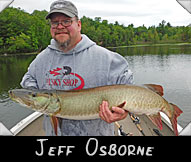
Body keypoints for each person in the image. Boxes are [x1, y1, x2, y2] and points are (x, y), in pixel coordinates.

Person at [21, 0, 134, 136]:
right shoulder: (41, 59)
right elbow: (28, 83)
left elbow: (129, 93)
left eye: (66, 21)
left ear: (78, 24)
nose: (60, 26)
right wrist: (38, 98)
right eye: (55, 23)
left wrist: (123, 113)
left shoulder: (107, 58)